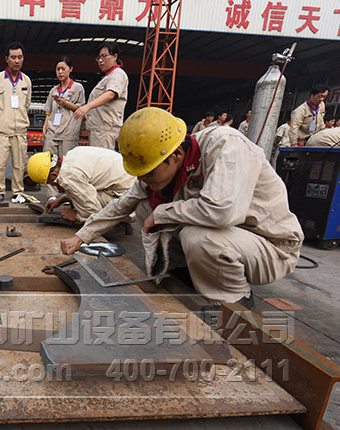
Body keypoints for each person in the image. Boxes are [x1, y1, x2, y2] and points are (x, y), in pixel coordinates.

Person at [60, 107, 303, 305]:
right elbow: (121, 205)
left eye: (149, 172)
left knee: (198, 237)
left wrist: (162, 213)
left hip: (271, 246)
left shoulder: (225, 145)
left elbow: (222, 211)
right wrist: (82, 236)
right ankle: (182, 273)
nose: (144, 179)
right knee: (144, 204)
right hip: (229, 236)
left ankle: (235, 299)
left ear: (176, 155)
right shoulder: (163, 168)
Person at [27, 147, 135, 223]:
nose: (52, 185)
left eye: (49, 182)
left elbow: (92, 209)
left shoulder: (68, 175)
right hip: (129, 187)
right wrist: (61, 200)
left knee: (82, 206)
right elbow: (82, 187)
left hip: (130, 203)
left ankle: (117, 224)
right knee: (77, 198)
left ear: (53, 175)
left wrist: (77, 216)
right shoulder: (72, 155)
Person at [0, 42, 32, 204]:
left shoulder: (26, 81)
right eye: (13, 57)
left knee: (19, 164)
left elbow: (26, 104)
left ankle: (17, 191)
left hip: (20, 130)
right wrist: (1, 118)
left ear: (23, 59)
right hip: (2, 130)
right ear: (7, 59)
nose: (16, 61)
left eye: (19, 57)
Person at [42, 56, 85, 196]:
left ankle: (68, 195)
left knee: (67, 165)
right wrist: (45, 126)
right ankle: (52, 195)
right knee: (49, 164)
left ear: (70, 69)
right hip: (52, 132)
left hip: (68, 132)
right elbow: (48, 111)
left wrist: (65, 103)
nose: (60, 72)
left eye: (63, 69)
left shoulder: (77, 88)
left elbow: (81, 109)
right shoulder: (54, 90)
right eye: (58, 69)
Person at [73, 42, 129, 150]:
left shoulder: (117, 74)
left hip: (105, 129)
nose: (100, 60)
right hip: (99, 128)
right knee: (98, 157)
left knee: (102, 159)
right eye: (98, 58)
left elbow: (111, 94)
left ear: (115, 56)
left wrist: (87, 106)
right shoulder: (108, 76)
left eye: (104, 56)